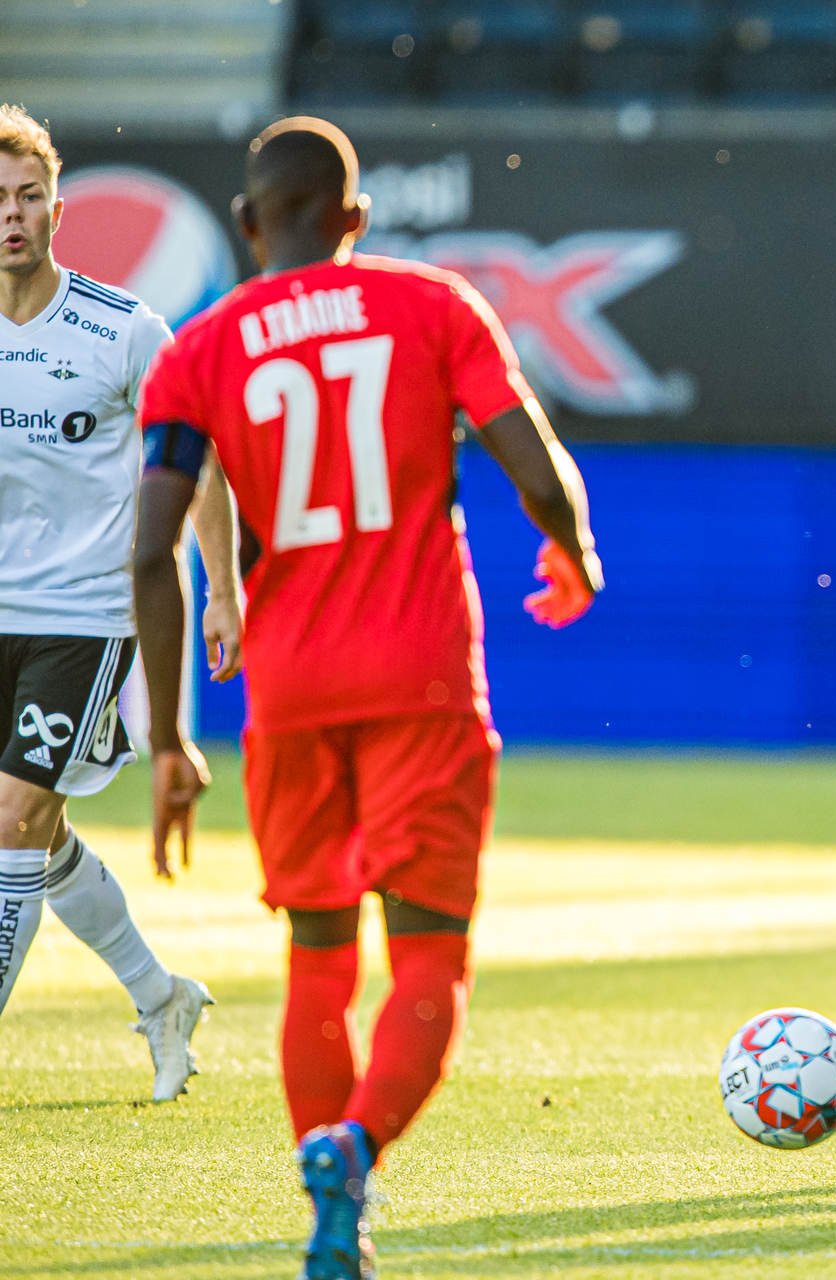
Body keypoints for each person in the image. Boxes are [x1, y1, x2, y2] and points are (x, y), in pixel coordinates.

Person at [133, 116, 603, 1279]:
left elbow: (149, 552)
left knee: (318, 960)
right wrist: (573, 548)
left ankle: (327, 1211)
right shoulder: (433, 306)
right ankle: (356, 1145)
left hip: (288, 693)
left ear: (247, 225)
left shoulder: (198, 350)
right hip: (423, 677)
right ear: (356, 217)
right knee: (430, 958)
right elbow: (532, 459)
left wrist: (169, 735)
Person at [0, 102, 233, 1101]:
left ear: (59, 208)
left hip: (84, 618)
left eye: (27, 195)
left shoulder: (123, 328)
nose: (10, 215)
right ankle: (160, 990)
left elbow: (203, 456)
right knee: (35, 834)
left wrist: (222, 584)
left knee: (13, 818)